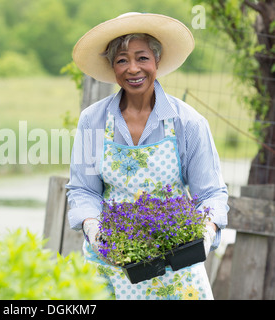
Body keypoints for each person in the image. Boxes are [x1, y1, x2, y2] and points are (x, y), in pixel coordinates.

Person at [66, 12, 229, 300]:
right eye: (121, 60)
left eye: (142, 58)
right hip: (112, 265)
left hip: (176, 270)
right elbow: (83, 189)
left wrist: (206, 232)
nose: (133, 69)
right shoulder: (93, 121)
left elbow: (212, 193)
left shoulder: (187, 122)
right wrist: (93, 227)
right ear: (112, 67)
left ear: (156, 62)